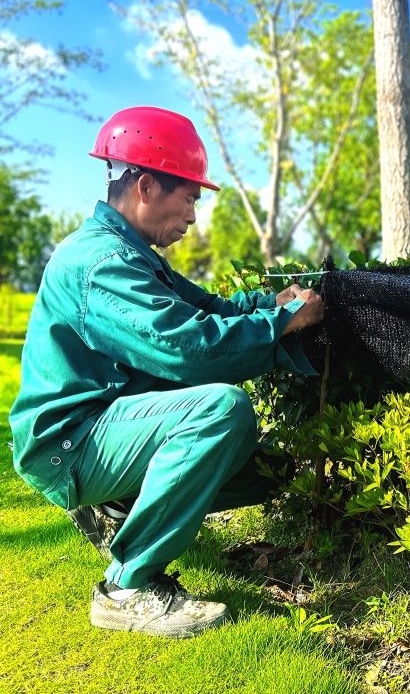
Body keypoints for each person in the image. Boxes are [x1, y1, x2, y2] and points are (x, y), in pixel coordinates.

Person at [9, 106, 325, 638]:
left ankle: (118, 506)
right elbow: (187, 348)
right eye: (190, 198)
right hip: (70, 443)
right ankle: (127, 588)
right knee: (221, 412)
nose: (194, 216)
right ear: (147, 186)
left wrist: (271, 304)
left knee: (267, 469)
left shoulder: (132, 253)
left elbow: (207, 310)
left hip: (102, 425)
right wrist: (283, 323)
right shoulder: (101, 262)